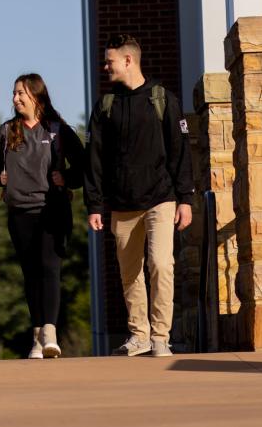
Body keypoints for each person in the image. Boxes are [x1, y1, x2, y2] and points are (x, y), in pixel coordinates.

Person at [84, 34, 195, 358]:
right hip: (121, 204)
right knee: (130, 273)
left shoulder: (162, 99)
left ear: (128, 60)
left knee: (162, 264)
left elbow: (180, 151)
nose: (106, 66)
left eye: (110, 61)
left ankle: (161, 337)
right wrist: (95, 205)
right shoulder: (105, 106)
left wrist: (185, 199)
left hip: (161, 198)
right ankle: (139, 335)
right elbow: (95, 159)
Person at [0, 74, 85, 359]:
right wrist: (0, 179)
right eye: (14, 93)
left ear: (36, 96)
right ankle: (37, 337)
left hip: (52, 209)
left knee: (50, 268)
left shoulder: (58, 130)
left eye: (20, 93)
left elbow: (83, 164)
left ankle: (50, 333)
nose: (15, 99)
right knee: (31, 274)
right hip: (20, 212)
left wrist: (66, 177)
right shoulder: (6, 132)